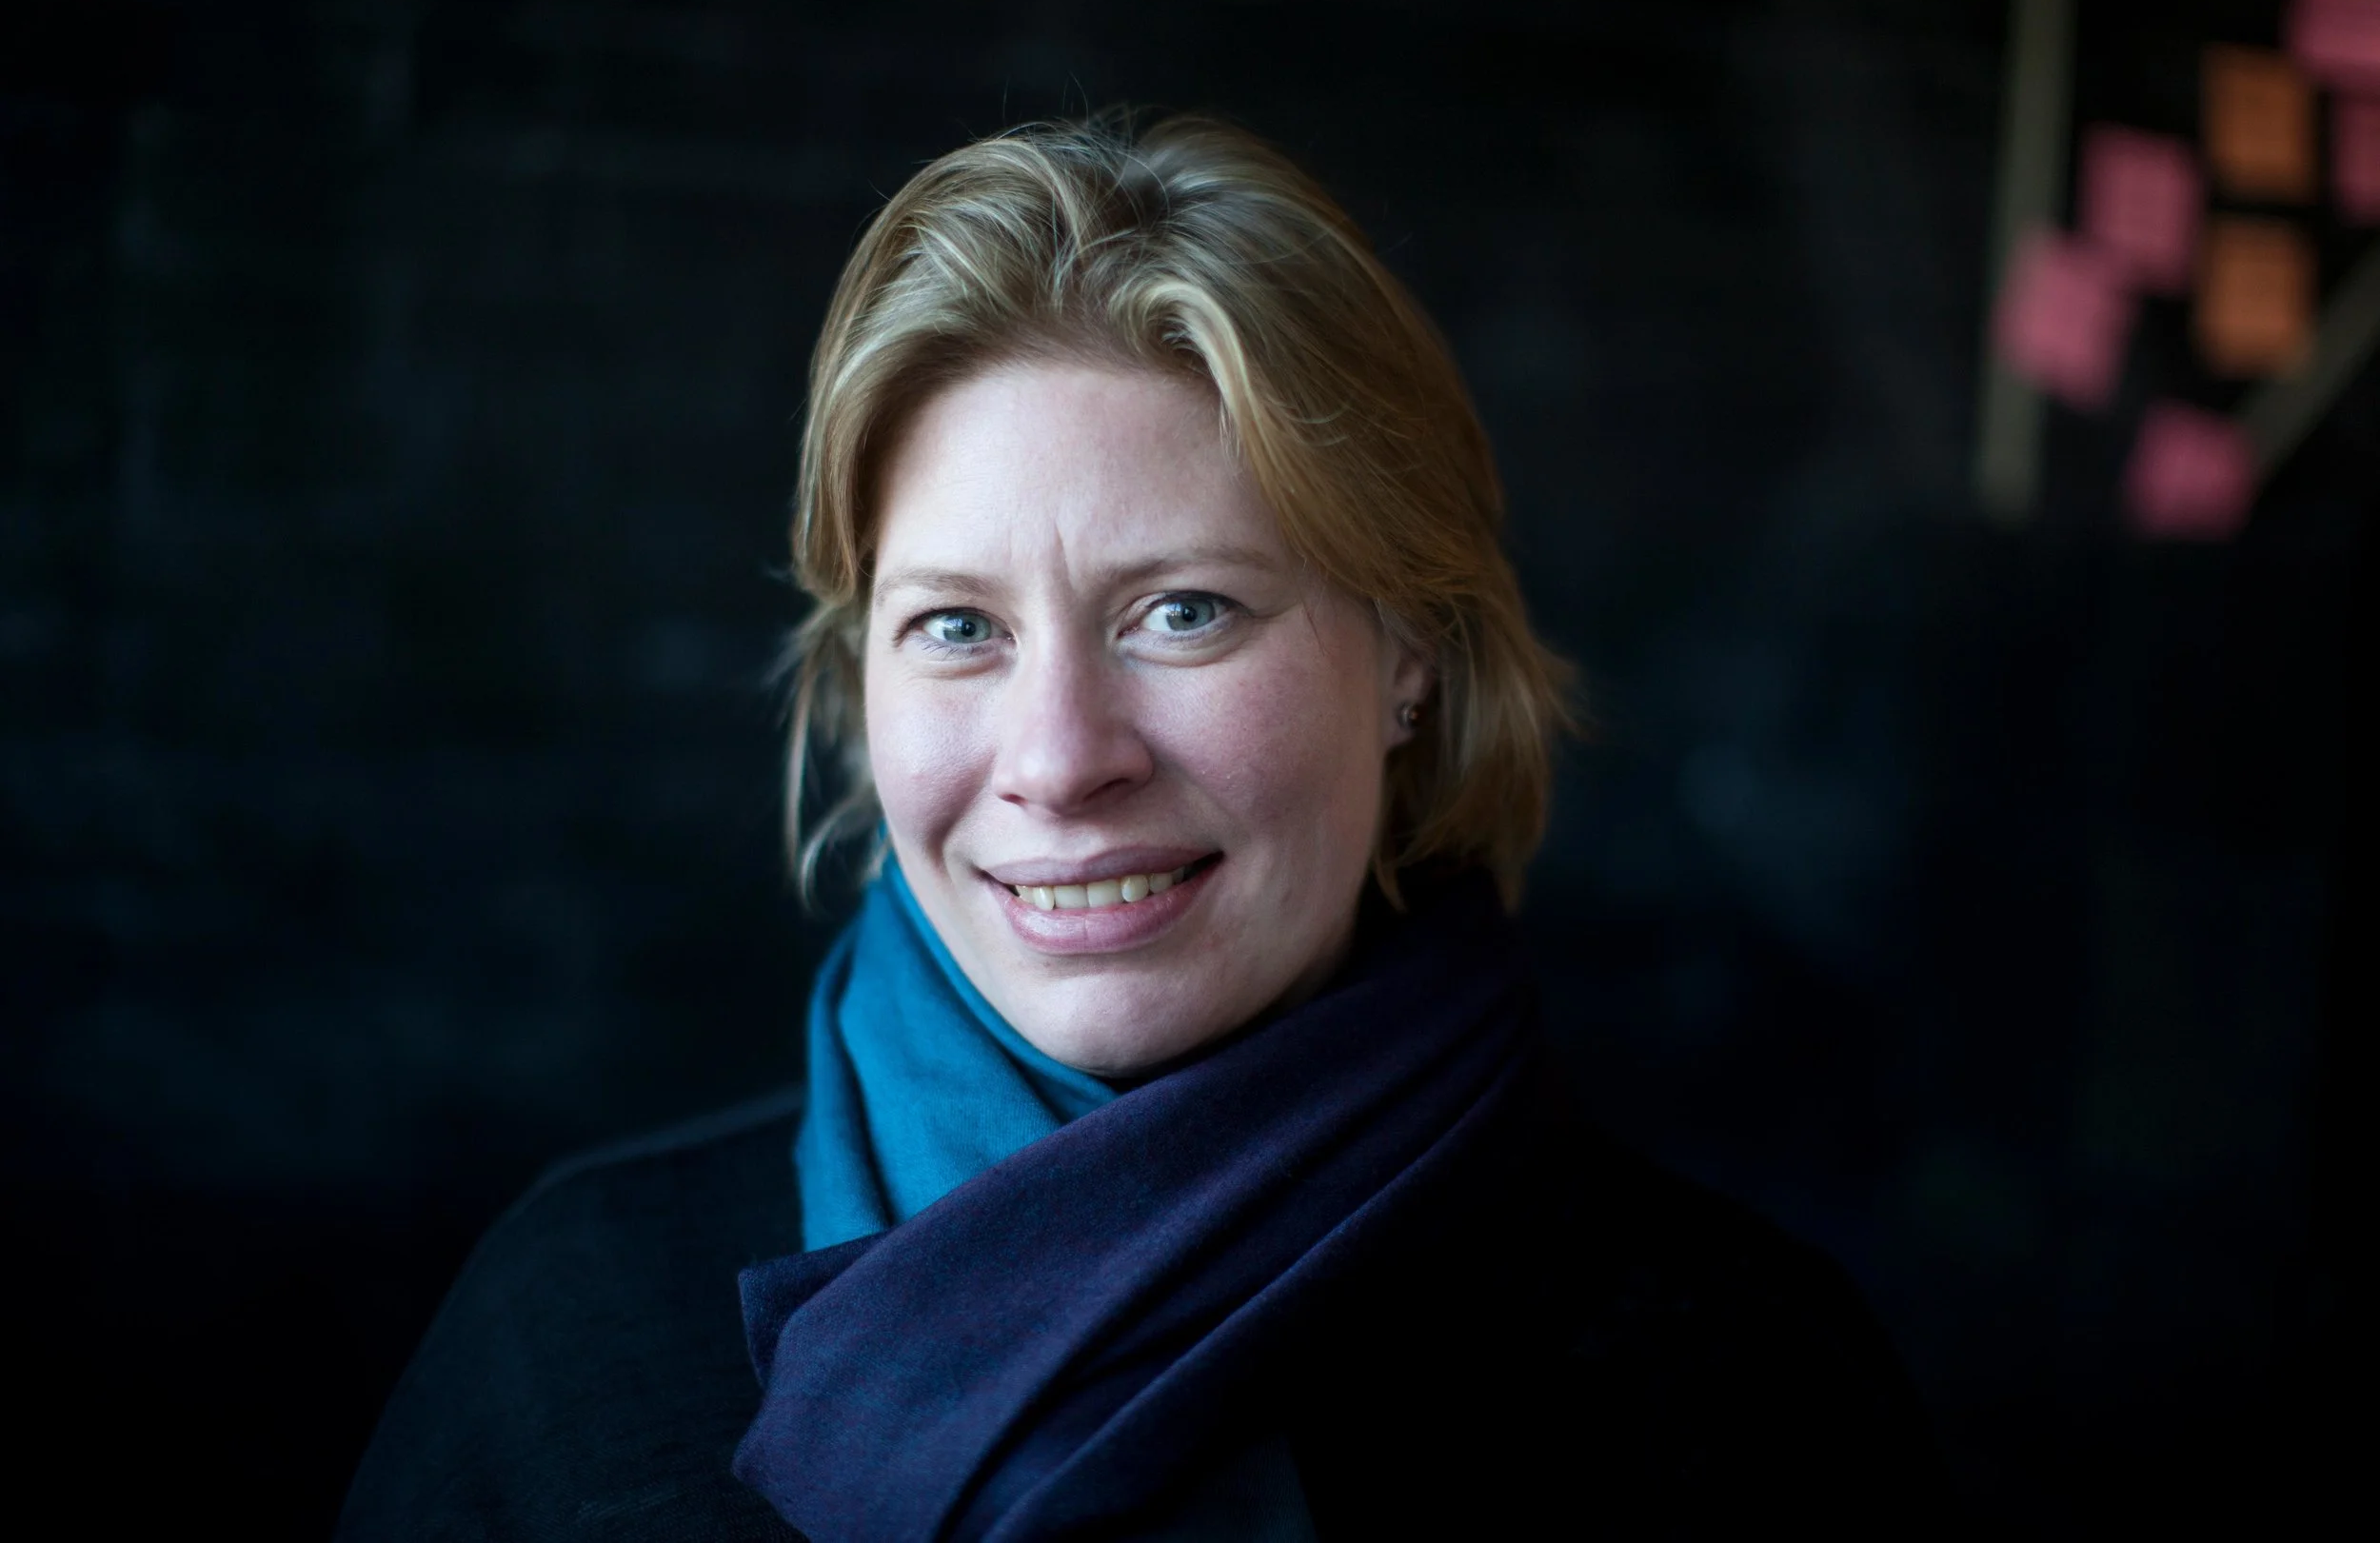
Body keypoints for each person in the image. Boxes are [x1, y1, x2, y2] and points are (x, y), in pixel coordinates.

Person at [339, 114, 1946, 1542]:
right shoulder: (566, 1335)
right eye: (958, 627)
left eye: (1184, 610)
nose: (1058, 759)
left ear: (1411, 654)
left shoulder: (1745, 1387)